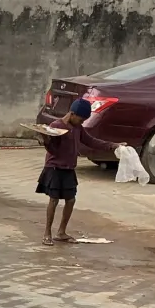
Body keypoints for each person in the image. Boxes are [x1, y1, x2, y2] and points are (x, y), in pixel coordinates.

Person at [37, 98, 126, 245]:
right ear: (72, 114)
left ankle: (61, 232)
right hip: (54, 168)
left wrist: (113, 145)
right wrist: (46, 139)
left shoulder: (77, 128)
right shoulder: (56, 126)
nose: (82, 122)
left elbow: (91, 141)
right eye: (81, 119)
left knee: (71, 200)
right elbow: (53, 150)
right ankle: (47, 233)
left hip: (69, 168)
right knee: (54, 200)